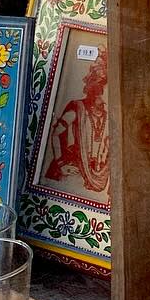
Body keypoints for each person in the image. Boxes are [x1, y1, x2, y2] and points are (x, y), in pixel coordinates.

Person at [43, 56, 109, 196]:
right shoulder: (78, 108)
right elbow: (56, 133)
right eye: (100, 92)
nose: (103, 98)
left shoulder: (108, 115)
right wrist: (60, 164)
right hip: (74, 168)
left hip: (97, 173)